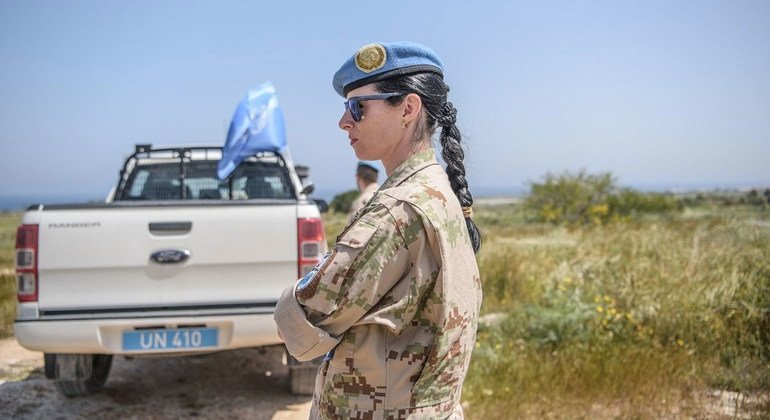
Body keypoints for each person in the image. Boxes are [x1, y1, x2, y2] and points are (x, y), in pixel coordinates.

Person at [274, 41, 482, 419]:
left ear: (407, 108)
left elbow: (305, 322)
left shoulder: (398, 208)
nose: (344, 121)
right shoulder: (437, 191)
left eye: (358, 107)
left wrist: (304, 285)